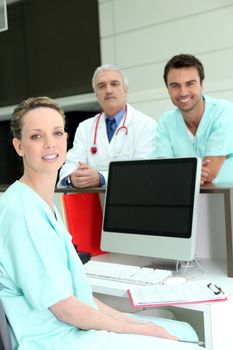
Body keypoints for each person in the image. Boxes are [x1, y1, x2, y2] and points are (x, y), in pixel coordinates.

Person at [0, 97, 202, 350]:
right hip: (52, 339)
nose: (50, 143)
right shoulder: (22, 212)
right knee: (183, 342)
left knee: (181, 330)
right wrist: (138, 329)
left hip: (68, 325)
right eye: (36, 136)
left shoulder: (43, 204)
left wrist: (135, 325)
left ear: (66, 138)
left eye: (57, 132)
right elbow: (67, 309)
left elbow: (79, 298)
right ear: (19, 146)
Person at [57, 64, 157, 188]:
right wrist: (72, 178)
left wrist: (101, 178)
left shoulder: (146, 125)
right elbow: (71, 164)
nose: (108, 90)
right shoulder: (85, 128)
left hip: (133, 199)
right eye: (101, 86)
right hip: (93, 203)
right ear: (96, 94)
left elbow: (143, 171)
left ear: (126, 90)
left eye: (114, 84)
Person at [154, 54, 233, 185]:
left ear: (202, 84)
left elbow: (209, 173)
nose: (183, 92)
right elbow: (161, 171)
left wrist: (176, 173)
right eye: (175, 85)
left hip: (226, 199)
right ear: (167, 89)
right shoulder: (166, 122)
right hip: (186, 200)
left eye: (190, 84)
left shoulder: (224, 112)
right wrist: (189, 174)